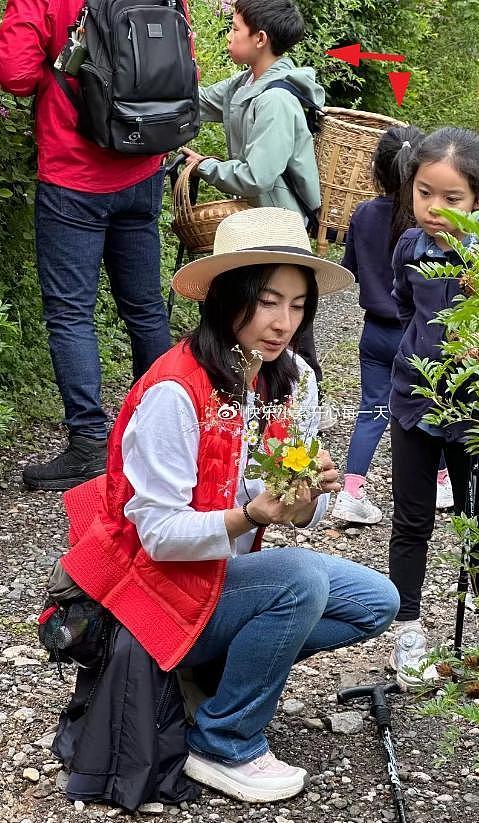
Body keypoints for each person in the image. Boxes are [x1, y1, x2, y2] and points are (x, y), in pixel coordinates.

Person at [56, 207, 400, 803]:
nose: (282, 323)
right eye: (267, 301)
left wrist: (301, 503)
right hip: (150, 586)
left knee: (377, 602)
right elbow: (157, 534)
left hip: (220, 577)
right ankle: (225, 741)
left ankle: (219, 676)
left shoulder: (290, 378)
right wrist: (250, 518)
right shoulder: (175, 389)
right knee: (297, 579)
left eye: (297, 305)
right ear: (224, 296)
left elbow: (292, 510)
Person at [0, 0, 174, 491]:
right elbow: (182, 63)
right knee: (143, 308)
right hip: (142, 163)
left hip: (73, 174)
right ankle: (161, 433)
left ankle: (88, 446)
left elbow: (13, 72)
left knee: (71, 314)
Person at [388, 127, 479, 689]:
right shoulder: (409, 248)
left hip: (478, 402)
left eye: (452, 198)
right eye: (424, 192)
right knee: (411, 518)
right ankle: (408, 629)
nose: (434, 208)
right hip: (415, 394)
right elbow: (405, 303)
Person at [181, 0, 329, 425]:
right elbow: (198, 102)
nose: (229, 35)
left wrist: (204, 166)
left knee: (286, 321)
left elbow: (257, 176)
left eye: (235, 27)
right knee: (252, 317)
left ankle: (303, 413)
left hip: (279, 224)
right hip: (254, 225)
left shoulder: (277, 101)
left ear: (260, 39)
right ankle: (250, 408)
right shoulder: (246, 84)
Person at [331, 125, 424, 525]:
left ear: (377, 172)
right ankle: (438, 482)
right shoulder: (425, 227)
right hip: (416, 333)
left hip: (374, 333)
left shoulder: (364, 213)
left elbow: (349, 270)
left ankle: (351, 492)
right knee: (427, 408)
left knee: (372, 409)